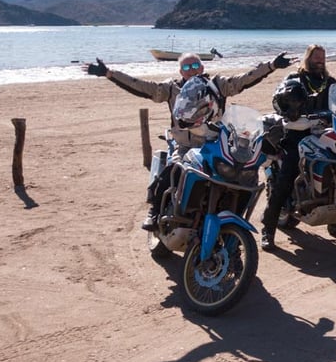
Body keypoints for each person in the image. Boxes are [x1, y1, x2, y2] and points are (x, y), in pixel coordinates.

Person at [82, 50, 291, 229]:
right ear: (180, 71)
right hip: (185, 145)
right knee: (171, 171)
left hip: (215, 145)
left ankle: (232, 219)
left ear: (201, 67)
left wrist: (271, 65)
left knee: (241, 176)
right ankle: (155, 211)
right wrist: (110, 73)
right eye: (187, 66)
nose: (192, 69)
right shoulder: (171, 89)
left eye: (195, 65)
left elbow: (243, 80)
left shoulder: (217, 85)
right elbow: (143, 87)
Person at [259, 44, 336, 251]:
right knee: (286, 177)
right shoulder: (295, 78)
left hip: (323, 135)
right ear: (308, 58)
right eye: (316, 57)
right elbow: (278, 99)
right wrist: (290, 110)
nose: (320, 60)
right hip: (297, 135)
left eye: (323, 57)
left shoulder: (329, 81)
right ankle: (268, 229)